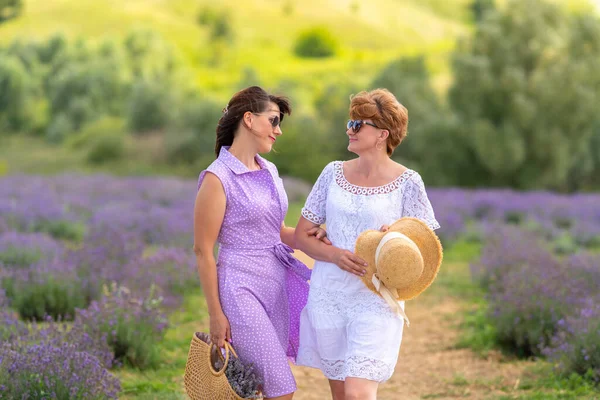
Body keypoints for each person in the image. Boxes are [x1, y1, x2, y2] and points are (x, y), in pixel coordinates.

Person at [295, 88, 440, 400]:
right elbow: (302, 235)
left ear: (382, 134)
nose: (350, 129)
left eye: (359, 125)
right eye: (350, 122)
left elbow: (423, 241)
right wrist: (333, 254)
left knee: (359, 393)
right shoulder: (332, 173)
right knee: (341, 395)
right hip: (328, 294)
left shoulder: (408, 181)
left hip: (375, 297)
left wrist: (399, 233)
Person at [192, 86, 330, 400]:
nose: (278, 131)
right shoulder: (218, 178)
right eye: (273, 121)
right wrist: (216, 314)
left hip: (276, 283)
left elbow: (277, 229)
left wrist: (313, 235)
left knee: (260, 388)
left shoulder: (269, 170)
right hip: (240, 287)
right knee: (281, 389)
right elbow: (203, 250)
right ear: (250, 120)